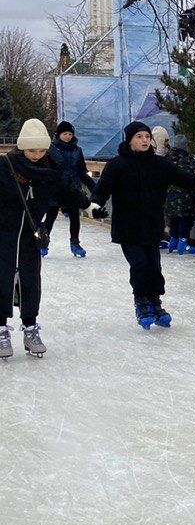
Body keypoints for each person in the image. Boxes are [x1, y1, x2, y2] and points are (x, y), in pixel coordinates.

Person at [90, 121, 195, 329]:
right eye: (139, 137)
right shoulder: (117, 165)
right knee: (140, 265)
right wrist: (95, 207)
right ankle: (141, 302)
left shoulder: (160, 165)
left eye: (147, 137)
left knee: (154, 267)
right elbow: (100, 192)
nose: (145, 140)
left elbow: (190, 180)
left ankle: (155, 303)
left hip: (152, 226)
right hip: (127, 228)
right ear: (130, 140)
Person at [0, 120, 92, 357]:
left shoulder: (50, 171)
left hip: (31, 236)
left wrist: (88, 205)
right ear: (22, 148)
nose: (37, 155)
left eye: (41, 150)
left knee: (31, 282)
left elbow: (68, 191)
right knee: (2, 280)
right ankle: (2, 330)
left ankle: (31, 329)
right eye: (32, 150)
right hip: (4, 234)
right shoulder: (5, 166)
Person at [42, 120, 97, 258]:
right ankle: (43, 241)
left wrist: (94, 187)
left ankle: (75, 243)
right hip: (56, 189)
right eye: (65, 133)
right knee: (51, 216)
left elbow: (82, 171)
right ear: (59, 134)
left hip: (73, 189)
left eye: (70, 134)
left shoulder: (77, 150)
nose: (67, 136)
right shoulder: (51, 150)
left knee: (74, 217)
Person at [164, 134, 195, 255]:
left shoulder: (166, 159)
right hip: (184, 196)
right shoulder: (186, 159)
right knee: (184, 218)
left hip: (169, 196)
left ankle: (173, 242)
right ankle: (183, 243)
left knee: (174, 218)